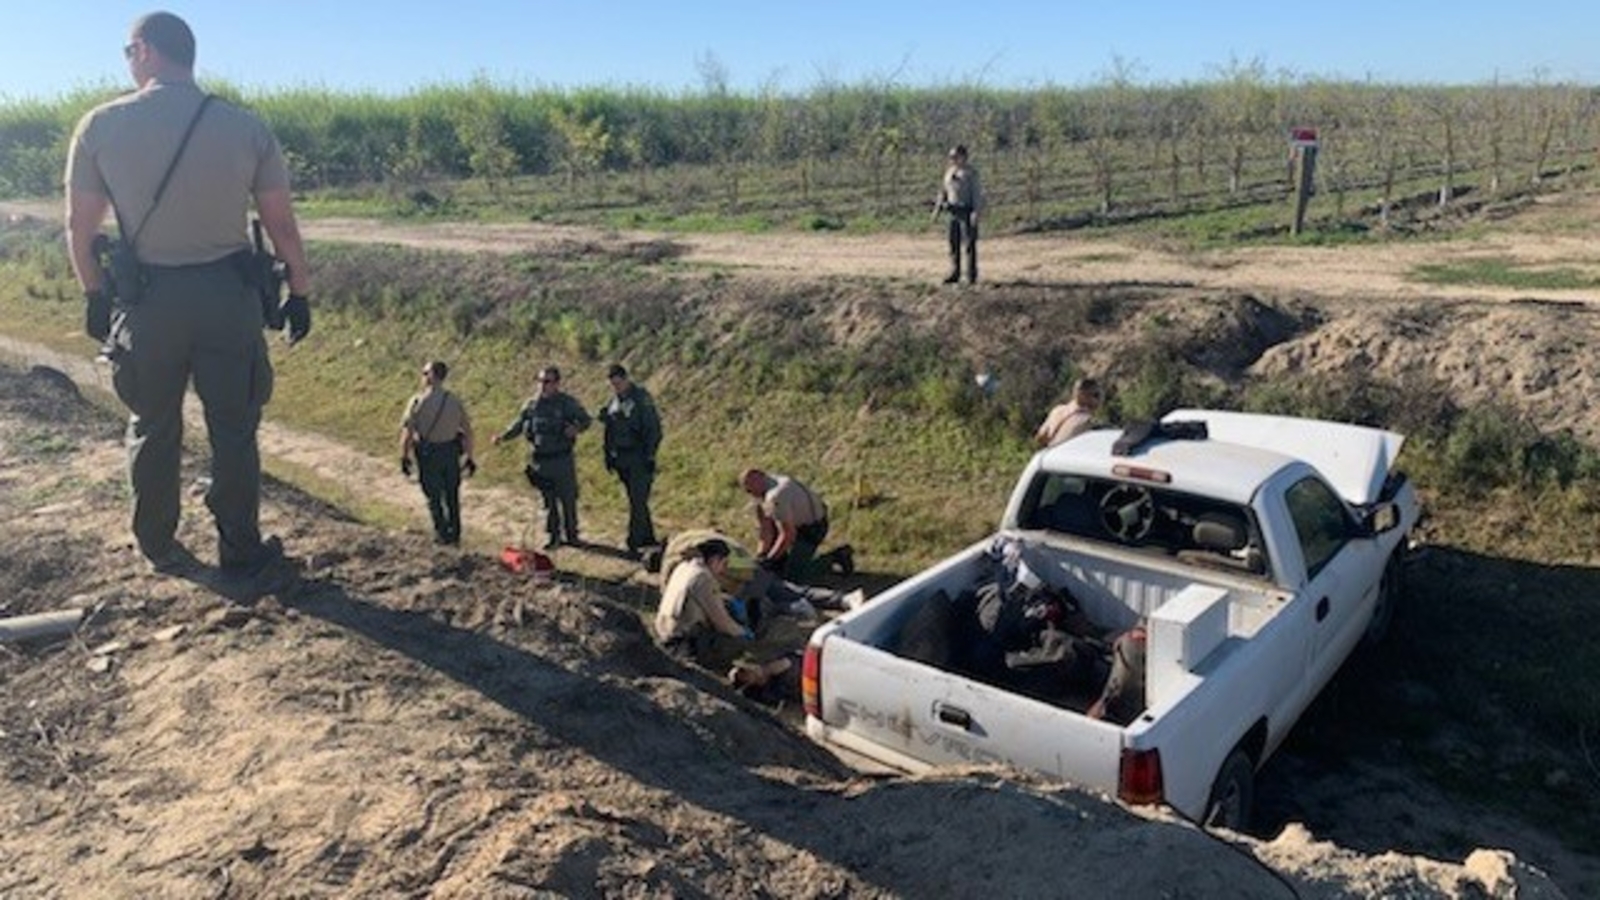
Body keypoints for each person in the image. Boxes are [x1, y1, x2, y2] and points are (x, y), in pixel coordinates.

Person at [65, 12, 311, 576]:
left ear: (147, 51)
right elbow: (283, 227)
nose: (127, 60)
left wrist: (95, 294)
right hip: (229, 299)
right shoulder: (245, 126)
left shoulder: (99, 126)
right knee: (233, 428)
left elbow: (79, 230)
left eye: (128, 50)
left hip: (148, 302)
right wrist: (298, 292)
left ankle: (157, 543)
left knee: (152, 424)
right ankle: (240, 547)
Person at [493, 365, 591, 549]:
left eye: (547, 381)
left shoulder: (566, 403)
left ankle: (572, 535)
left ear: (556, 383)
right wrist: (503, 437)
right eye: (540, 381)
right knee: (548, 501)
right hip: (541, 460)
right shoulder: (532, 405)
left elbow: (586, 420)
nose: (542, 385)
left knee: (568, 499)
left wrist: (575, 429)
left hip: (562, 460)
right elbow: (519, 425)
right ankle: (553, 536)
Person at [399, 360, 476, 546]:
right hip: (450, 452)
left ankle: (441, 534)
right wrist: (470, 457)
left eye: (425, 373)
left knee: (434, 497)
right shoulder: (454, 400)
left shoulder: (417, 401)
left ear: (432, 376)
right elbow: (467, 431)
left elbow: (407, 432)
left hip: (428, 454)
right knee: (452, 495)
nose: (422, 377)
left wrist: (404, 456)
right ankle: (455, 535)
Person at [654, 538, 754, 671]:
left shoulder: (683, 567)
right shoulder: (703, 577)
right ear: (715, 560)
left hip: (663, 631)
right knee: (740, 642)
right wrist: (744, 634)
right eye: (724, 563)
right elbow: (723, 623)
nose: (723, 569)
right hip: (684, 642)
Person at [739, 468, 854, 581]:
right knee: (775, 563)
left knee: (795, 577)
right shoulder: (767, 485)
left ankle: (836, 557)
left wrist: (771, 559)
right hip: (793, 522)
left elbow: (788, 534)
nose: (751, 495)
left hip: (811, 529)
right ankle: (780, 564)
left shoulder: (775, 496)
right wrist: (761, 556)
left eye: (750, 491)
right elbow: (766, 528)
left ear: (759, 480)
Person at [598, 363, 662, 557]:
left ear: (626, 379)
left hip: (639, 456)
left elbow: (654, 430)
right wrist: (608, 455)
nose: (616, 387)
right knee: (637, 500)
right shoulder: (614, 401)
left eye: (618, 383)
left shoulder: (641, 399)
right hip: (622, 457)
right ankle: (648, 538)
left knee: (638, 499)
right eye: (613, 385)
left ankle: (633, 541)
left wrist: (650, 455)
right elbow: (609, 431)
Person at [937, 144, 984, 285]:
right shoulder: (949, 173)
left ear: (963, 157)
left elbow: (977, 194)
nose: (952, 159)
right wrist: (938, 207)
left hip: (966, 211)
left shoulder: (971, 173)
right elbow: (944, 191)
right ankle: (955, 273)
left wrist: (976, 212)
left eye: (955, 157)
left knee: (969, 244)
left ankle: (971, 275)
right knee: (954, 244)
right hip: (953, 212)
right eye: (951, 157)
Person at [1035, 377, 1104, 448]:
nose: (1100, 400)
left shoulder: (1057, 410)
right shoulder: (1088, 421)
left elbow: (1040, 437)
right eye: (1096, 395)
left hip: (1050, 456)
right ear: (1083, 395)